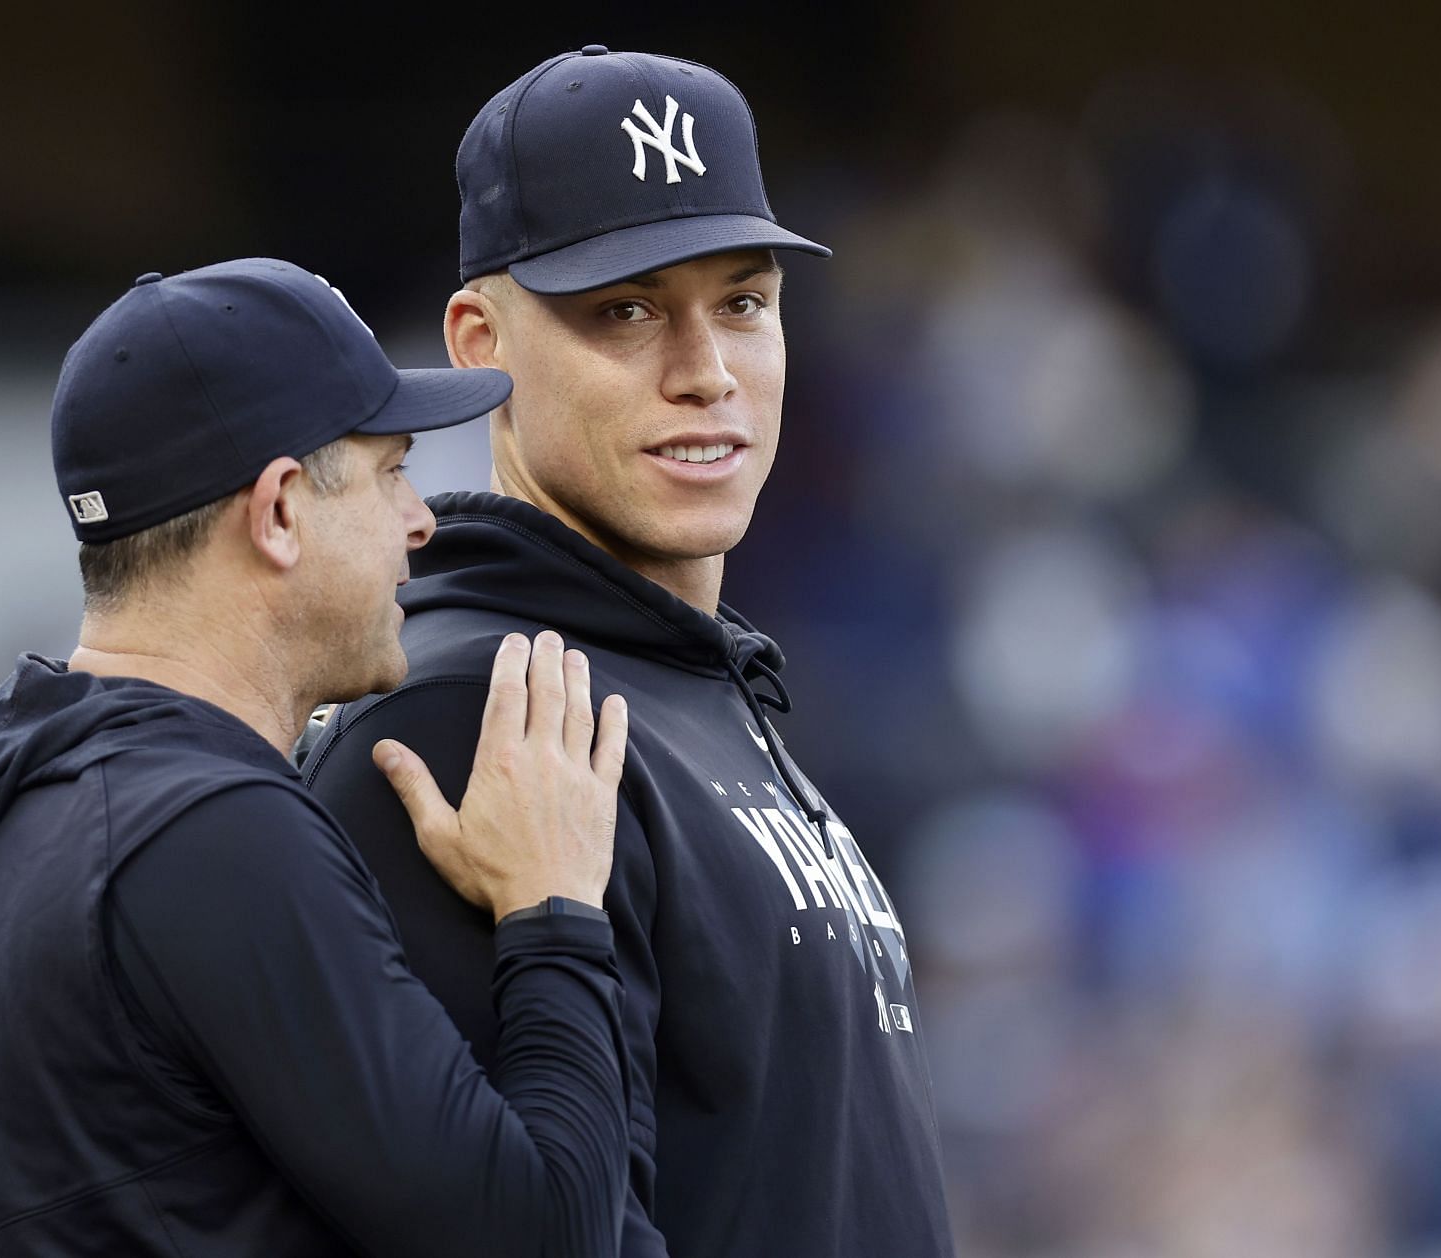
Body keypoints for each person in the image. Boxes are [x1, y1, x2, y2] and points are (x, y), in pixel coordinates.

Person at [304, 49, 955, 1256]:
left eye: (742, 303)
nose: (706, 372)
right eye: (628, 310)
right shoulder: (473, 712)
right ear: (476, 339)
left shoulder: (695, 690)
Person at [0, 257, 638, 1257]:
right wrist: (554, 908)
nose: (421, 520)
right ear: (277, 512)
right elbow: (544, 1237)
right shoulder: (208, 827)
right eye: (391, 469)